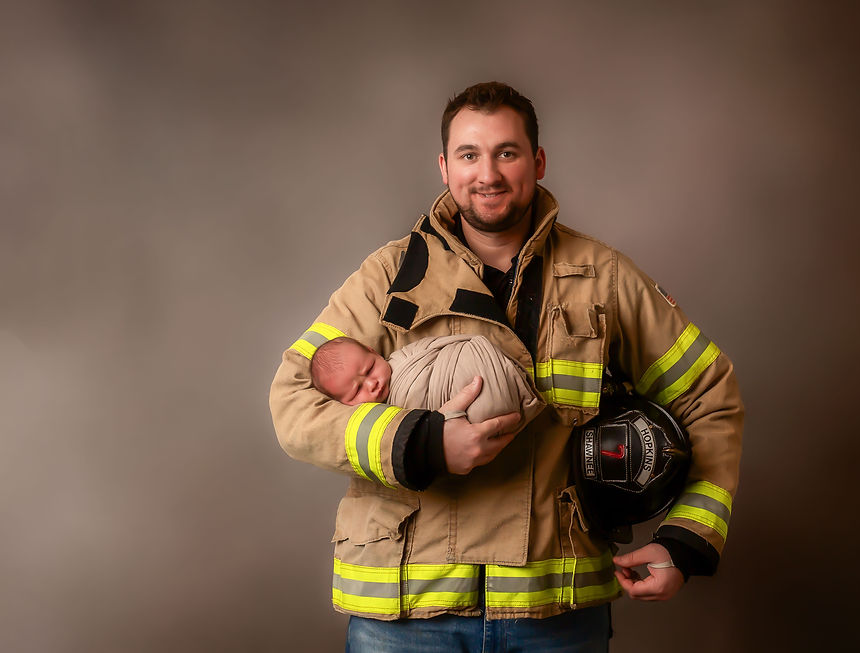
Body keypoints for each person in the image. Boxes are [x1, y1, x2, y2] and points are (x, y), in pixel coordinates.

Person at [270, 81, 744, 652]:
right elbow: (294, 400)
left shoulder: (605, 278)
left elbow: (709, 397)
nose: (487, 173)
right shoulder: (388, 278)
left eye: (507, 152)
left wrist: (685, 540)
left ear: (538, 161)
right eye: (469, 155)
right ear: (445, 167)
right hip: (406, 618)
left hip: (554, 614)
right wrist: (417, 442)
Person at [310, 334, 543, 430]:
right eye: (357, 390)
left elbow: (442, 346)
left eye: (370, 368)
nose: (372, 384)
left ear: (374, 352)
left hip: (469, 368)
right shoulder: (380, 420)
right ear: (344, 404)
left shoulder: (407, 356)